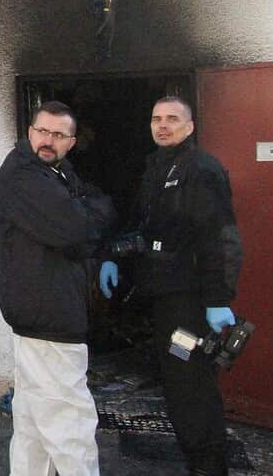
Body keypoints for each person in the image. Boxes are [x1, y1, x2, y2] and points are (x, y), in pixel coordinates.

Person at [98, 96, 243, 476]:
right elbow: (142, 227)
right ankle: (198, 460)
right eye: (156, 119)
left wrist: (217, 298)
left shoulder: (201, 169)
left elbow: (220, 237)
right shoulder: (157, 168)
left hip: (191, 302)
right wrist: (113, 255)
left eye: (172, 119)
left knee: (191, 384)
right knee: (178, 383)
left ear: (190, 127)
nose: (163, 125)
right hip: (164, 299)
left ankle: (209, 467)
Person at [0, 101, 116, 476]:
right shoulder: (23, 176)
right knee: (69, 424)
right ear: (29, 132)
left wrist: (80, 218)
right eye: (42, 131)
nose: (48, 140)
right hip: (49, 315)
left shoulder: (57, 173)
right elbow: (73, 230)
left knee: (31, 425)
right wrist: (81, 222)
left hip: (40, 314)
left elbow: (102, 206)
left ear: (71, 142)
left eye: (58, 135)